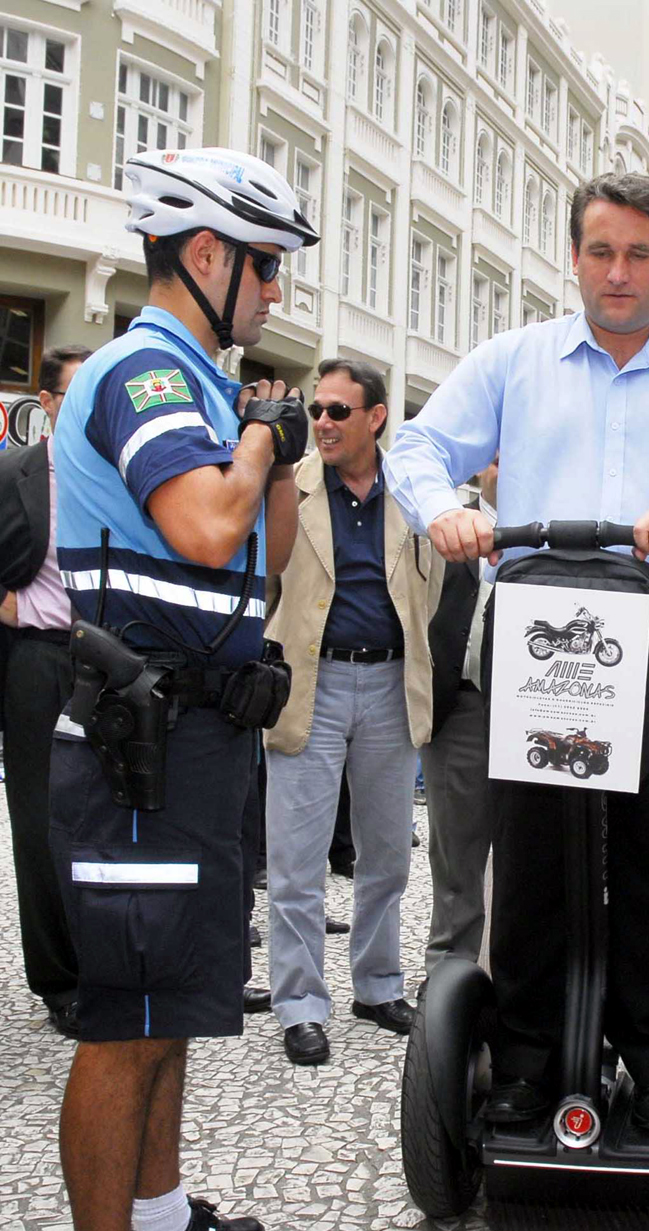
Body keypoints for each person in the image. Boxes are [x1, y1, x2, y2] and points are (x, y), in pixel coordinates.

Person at [384, 172, 649, 1134]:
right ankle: (526, 1058)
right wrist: (445, 511)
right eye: (602, 251)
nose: (619, 274)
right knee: (531, 852)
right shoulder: (514, 360)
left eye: (640, 254)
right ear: (573, 255)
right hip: (545, 635)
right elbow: (416, 448)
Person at [50, 146, 316, 1231]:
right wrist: (258, 436)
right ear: (203, 254)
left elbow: (274, 549)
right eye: (262, 266)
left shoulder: (204, 383)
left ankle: (161, 1214)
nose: (274, 289)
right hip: (137, 740)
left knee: (170, 1008)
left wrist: (279, 455)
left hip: (193, 737)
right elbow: (209, 529)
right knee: (126, 1019)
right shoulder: (144, 373)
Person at [263, 357, 438, 1065]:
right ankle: (300, 1002)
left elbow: (438, 588)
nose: (323, 422)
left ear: (376, 417)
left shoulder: (417, 493)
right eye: (318, 410)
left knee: (388, 853)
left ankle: (376, 983)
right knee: (297, 860)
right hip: (313, 682)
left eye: (340, 410)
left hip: (393, 685)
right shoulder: (291, 485)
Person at [0, 344, 90, 1038]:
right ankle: (60, 981)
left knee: (110, 823)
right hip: (38, 661)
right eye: (78, 388)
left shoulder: (124, 474)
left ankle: (116, 962)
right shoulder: (15, 473)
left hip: (111, 666)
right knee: (39, 825)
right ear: (50, 402)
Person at [420, 459, 498, 983]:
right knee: (455, 850)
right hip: (460, 705)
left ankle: (519, 973)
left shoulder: (555, 536)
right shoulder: (446, 525)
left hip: (541, 709)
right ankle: (449, 972)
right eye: (495, 455)